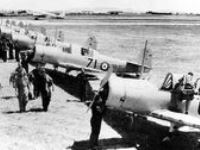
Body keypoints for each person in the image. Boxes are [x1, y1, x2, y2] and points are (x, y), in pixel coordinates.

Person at [89, 83, 109, 149]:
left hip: (96, 119)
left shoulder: (96, 103)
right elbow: (100, 111)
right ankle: (92, 145)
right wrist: (104, 107)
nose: (101, 99)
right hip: (96, 119)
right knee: (95, 132)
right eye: (100, 99)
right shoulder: (97, 105)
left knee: (96, 132)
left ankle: (95, 144)